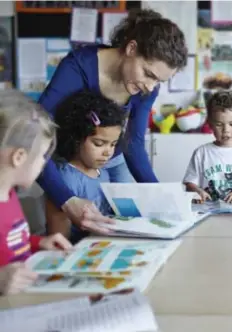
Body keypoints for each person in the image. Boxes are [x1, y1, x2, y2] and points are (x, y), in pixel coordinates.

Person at [36, 8, 188, 235]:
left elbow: (133, 144)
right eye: (148, 74)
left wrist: (162, 197)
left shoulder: (147, 88)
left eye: (159, 81)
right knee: (72, 228)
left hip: (115, 161)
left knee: (125, 228)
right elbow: (36, 134)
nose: (150, 87)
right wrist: (66, 199)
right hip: (73, 160)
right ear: (131, 48)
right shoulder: (78, 67)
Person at [0, 91, 72, 295]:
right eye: (42, 156)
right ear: (19, 157)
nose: (44, 164)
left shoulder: (9, 195)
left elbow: (11, 243)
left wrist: (38, 243)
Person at [46, 90, 127, 244]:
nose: (108, 152)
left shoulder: (102, 171)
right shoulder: (65, 179)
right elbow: (59, 240)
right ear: (76, 139)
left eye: (113, 144)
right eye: (98, 143)